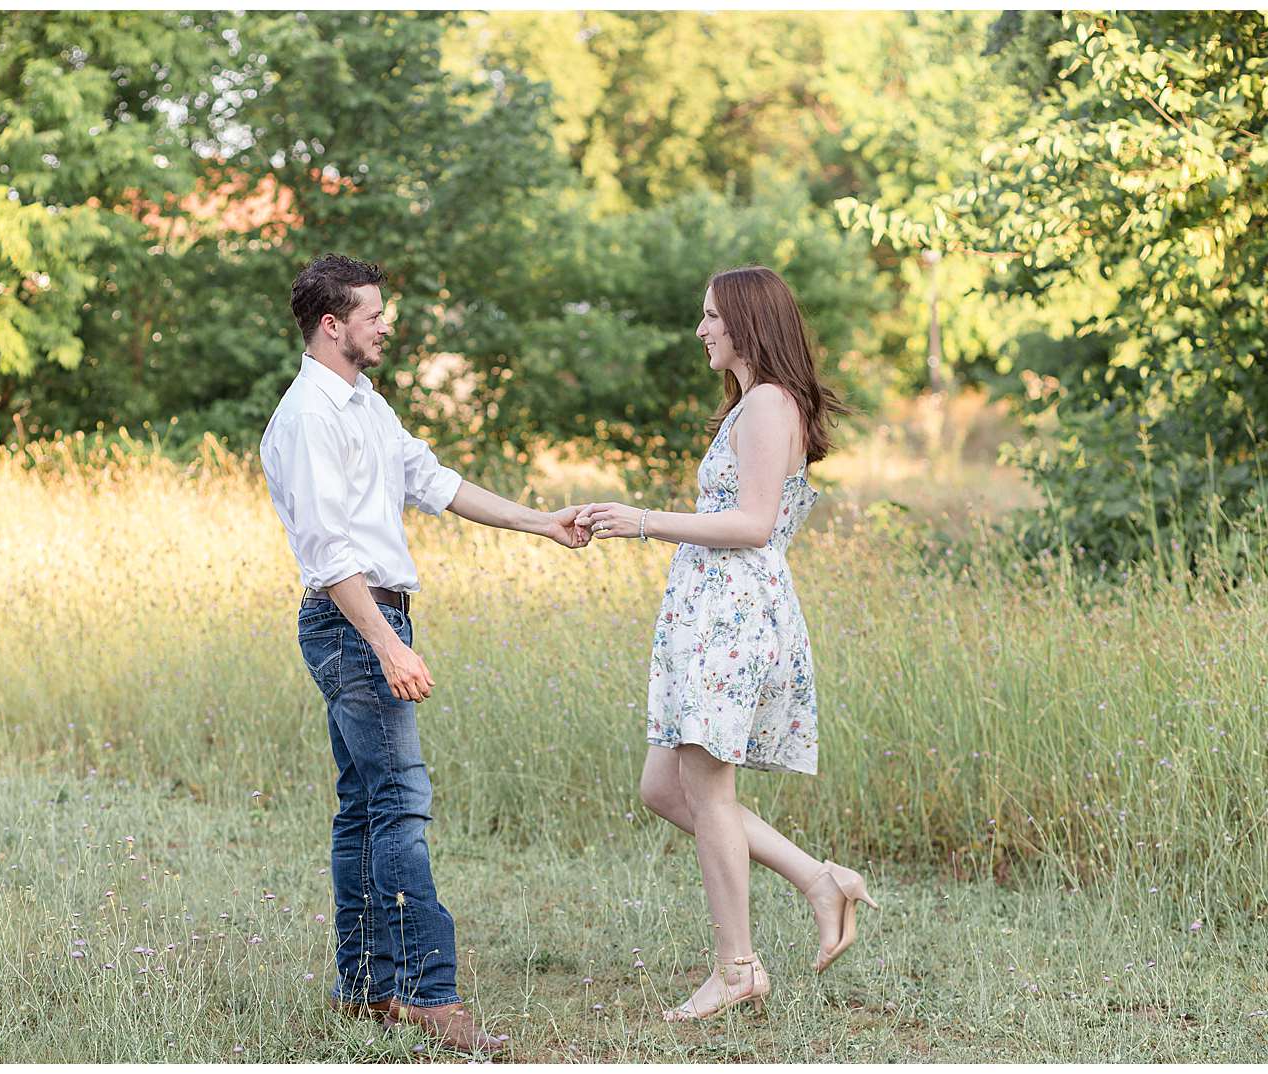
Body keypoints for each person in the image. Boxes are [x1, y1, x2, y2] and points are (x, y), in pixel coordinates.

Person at [259, 253, 588, 1055]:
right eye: (373, 314)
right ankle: (427, 994)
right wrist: (386, 646)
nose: (386, 325)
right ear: (333, 325)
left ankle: (365, 987)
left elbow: (436, 482)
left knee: (365, 809)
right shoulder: (309, 417)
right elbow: (329, 553)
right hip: (354, 622)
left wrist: (541, 521)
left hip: (375, 620)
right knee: (400, 803)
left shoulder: (365, 404)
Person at [575, 265, 876, 1022]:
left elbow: (753, 523)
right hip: (710, 614)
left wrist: (644, 519)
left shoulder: (770, 404)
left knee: (709, 795)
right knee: (662, 787)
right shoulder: (750, 406)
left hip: (734, 620)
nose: (702, 329)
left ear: (746, 321)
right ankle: (818, 879)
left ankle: (737, 968)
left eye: (712, 316)